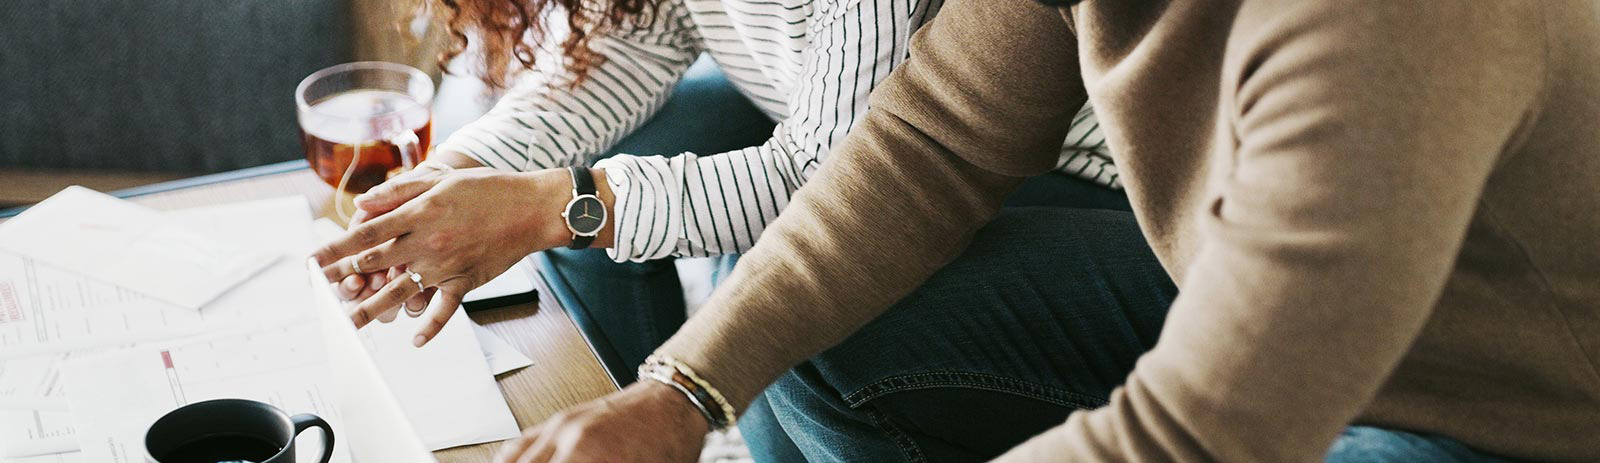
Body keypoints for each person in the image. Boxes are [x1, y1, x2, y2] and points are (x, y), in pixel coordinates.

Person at [421, 0, 1592, 462]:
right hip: (1241, 281)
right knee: (813, 333)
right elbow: (932, 139)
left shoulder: (1388, 20)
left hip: (1478, 413)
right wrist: (679, 394)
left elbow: (1205, 428)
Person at [315, 0, 1124, 460]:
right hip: (849, 126)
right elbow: (629, 45)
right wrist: (458, 171)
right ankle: (626, 424)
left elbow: (846, 182)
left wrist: (549, 205)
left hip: (1071, 177)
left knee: (809, 332)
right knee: (620, 151)